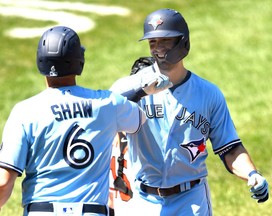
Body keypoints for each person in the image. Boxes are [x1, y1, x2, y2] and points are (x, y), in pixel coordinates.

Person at [0, 26, 172, 216]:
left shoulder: (25, 111)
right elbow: (138, 120)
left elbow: (2, 181)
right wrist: (142, 91)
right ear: (79, 62)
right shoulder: (107, 104)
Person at [110, 9, 269, 215]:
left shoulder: (208, 94)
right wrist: (140, 92)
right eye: (153, 42)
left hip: (190, 201)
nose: (158, 49)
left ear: (182, 43)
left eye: (165, 41)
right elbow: (101, 117)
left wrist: (252, 174)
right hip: (143, 201)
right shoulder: (128, 87)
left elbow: (230, 148)